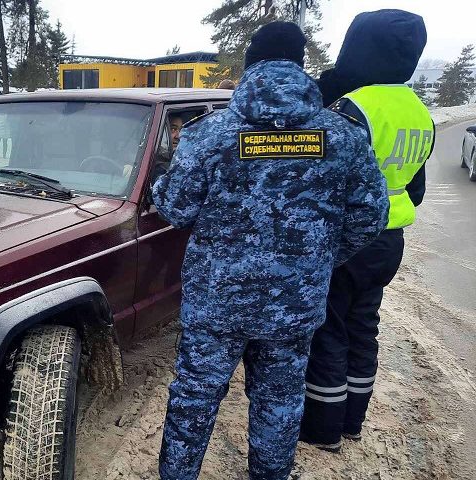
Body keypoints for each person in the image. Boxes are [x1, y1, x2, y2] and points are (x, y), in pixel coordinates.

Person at [154, 21, 389, 480]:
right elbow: (370, 217)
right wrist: (318, 260)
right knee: (279, 402)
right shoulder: (343, 136)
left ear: (250, 65)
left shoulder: (210, 133)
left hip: (217, 304)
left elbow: (176, 208)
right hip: (294, 304)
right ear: (302, 65)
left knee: (194, 399)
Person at [300, 9, 433, 452]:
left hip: (348, 237)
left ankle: (322, 428)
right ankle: (353, 420)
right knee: (363, 325)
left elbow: (319, 176)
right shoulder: (418, 111)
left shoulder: (354, 107)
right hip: (390, 240)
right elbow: (416, 188)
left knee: (329, 328)